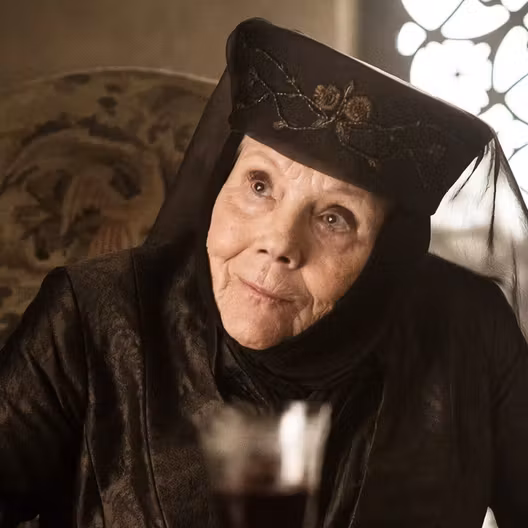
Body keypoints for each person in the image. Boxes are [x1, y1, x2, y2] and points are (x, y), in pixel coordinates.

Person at [1, 17, 528, 528]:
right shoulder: (90, 317)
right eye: (259, 185)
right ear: (220, 181)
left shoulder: (473, 335)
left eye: (334, 218)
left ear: (389, 255)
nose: (278, 244)